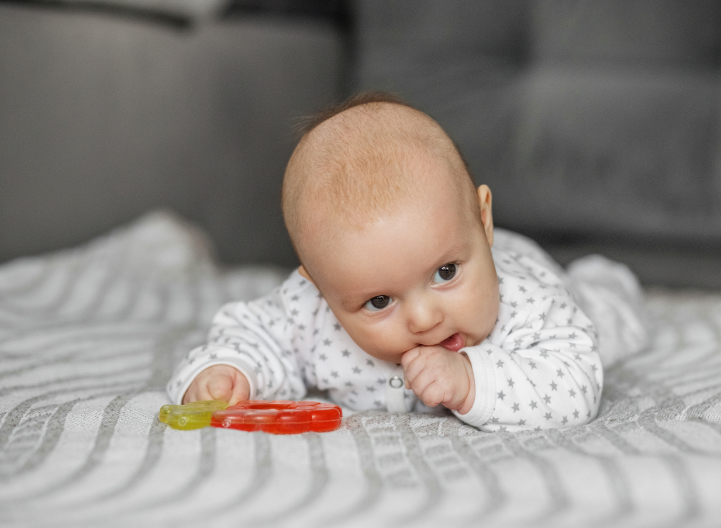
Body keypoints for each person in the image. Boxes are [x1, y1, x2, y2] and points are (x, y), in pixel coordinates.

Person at [166, 92, 649, 432]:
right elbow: (254, 333)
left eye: (446, 273)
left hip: (527, 267)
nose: (423, 319)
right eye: (378, 301)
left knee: (606, 319)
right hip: (468, 250)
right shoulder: (312, 311)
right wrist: (229, 370)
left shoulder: (531, 305)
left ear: (483, 220)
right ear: (319, 287)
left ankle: (603, 279)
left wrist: (470, 381)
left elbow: (574, 386)